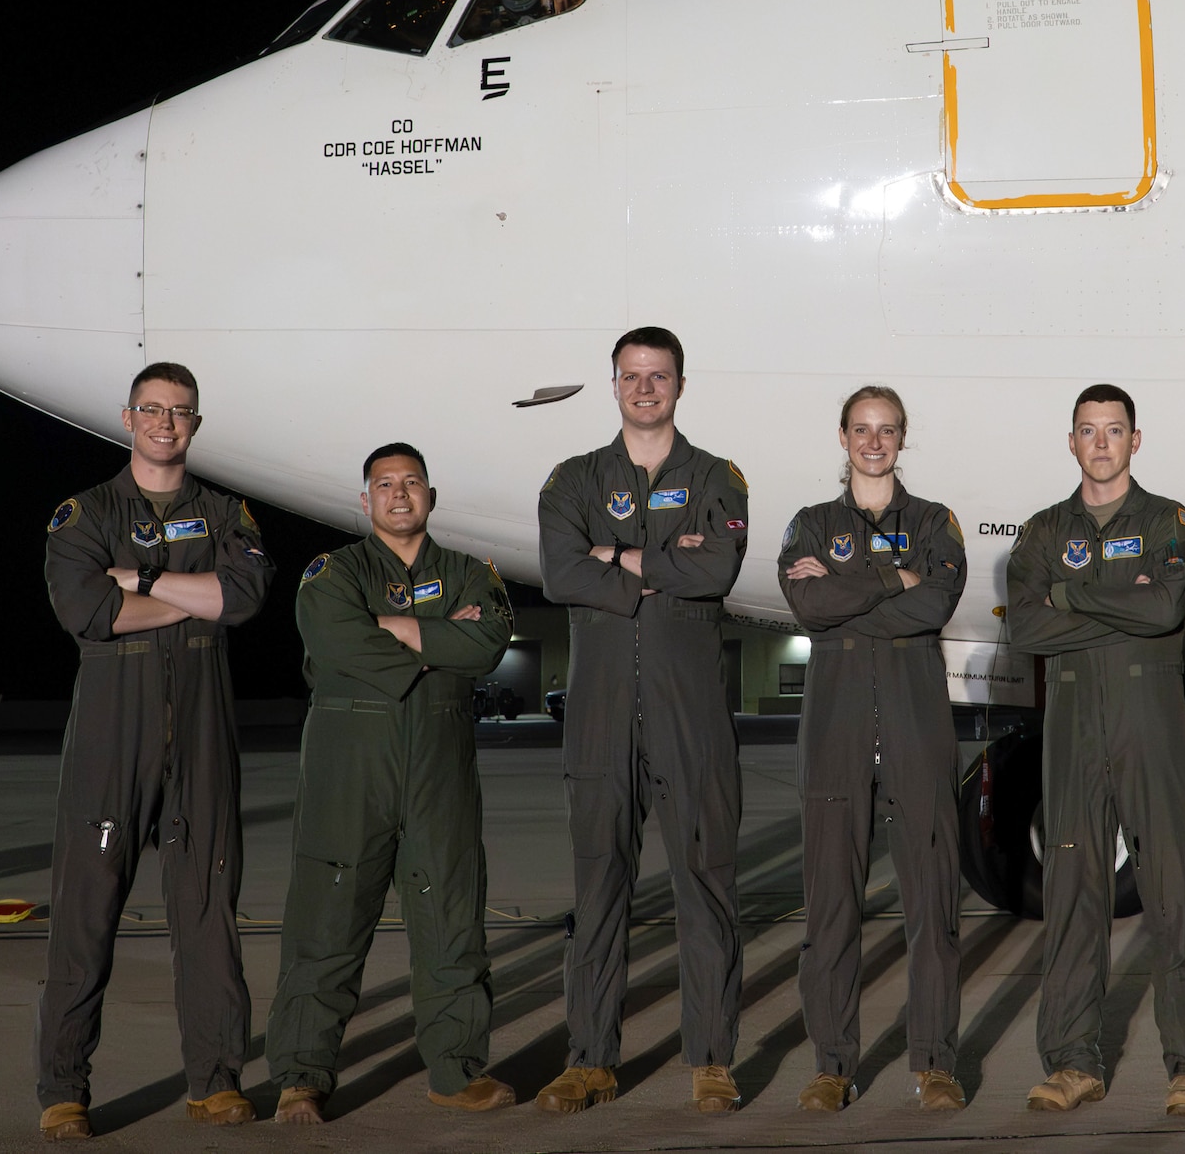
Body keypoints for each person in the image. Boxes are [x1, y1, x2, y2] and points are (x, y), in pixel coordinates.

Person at [37, 362, 275, 1140]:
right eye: (151, 409)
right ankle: (64, 1090)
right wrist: (189, 592)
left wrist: (141, 579)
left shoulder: (224, 510)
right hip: (113, 730)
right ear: (128, 417)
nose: (165, 422)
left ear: (196, 423)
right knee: (86, 911)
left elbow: (240, 598)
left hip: (203, 728)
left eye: (180, 411)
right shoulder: (86, 512)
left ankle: (216, 1080)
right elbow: (87, 608)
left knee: (208, 909)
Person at [535, 327, 751, 1114]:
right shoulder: (573, 478)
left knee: (706, 885)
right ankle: (589, 1058)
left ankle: (712, 1060)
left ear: (681, 385)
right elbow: (561, 573)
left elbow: (716, 569)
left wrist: (614, 555)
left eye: (659, 376)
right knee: (598, 888)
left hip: (689, 712)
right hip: (598, 715)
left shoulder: (717, 477)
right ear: (614, 383)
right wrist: (661, 565)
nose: (645, 387)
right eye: (632, 375)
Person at [267, 444, 516, 1123]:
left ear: (430, 495)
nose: (399, 494)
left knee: (452, 915)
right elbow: (331, 636)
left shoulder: (471, 572)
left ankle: (455, 1069)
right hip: (352, 763)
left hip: (439, 761)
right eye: (385, 484)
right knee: (329, 917)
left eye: (411, 483)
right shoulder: (333, 572)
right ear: (365, 499)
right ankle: (300, 1075)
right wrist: (436, 640)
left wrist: (387, 628)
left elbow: (488, 643)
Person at [1006, 384, 1185, 1117]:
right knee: (1071, 895)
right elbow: (1023, 630)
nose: (1101, 443)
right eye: (1088, 431)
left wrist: (1068, 596)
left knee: (1173, 893)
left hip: (1150, 726)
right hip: (1072, 728)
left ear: (1135, 440)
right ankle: (1072, 1061)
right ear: (1071, 442)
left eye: (1114, 430)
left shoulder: (1167, 520)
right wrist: (1111, 601)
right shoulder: (1041, 530)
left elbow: (1164, 607)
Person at [778, 387, 968, 1113]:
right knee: (830, 906)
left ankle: (936, 1062)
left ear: (902, 437)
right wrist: (896, 578)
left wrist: (849, 587)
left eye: (887, 430)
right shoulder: (811, 523)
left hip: (918, 726)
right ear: (843, 436)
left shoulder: (933, 521)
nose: (874, 441)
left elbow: (937, 603)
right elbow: (808, 606)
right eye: (862, 429)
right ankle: (832, 1063)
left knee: (934, 904)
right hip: (836, 729)